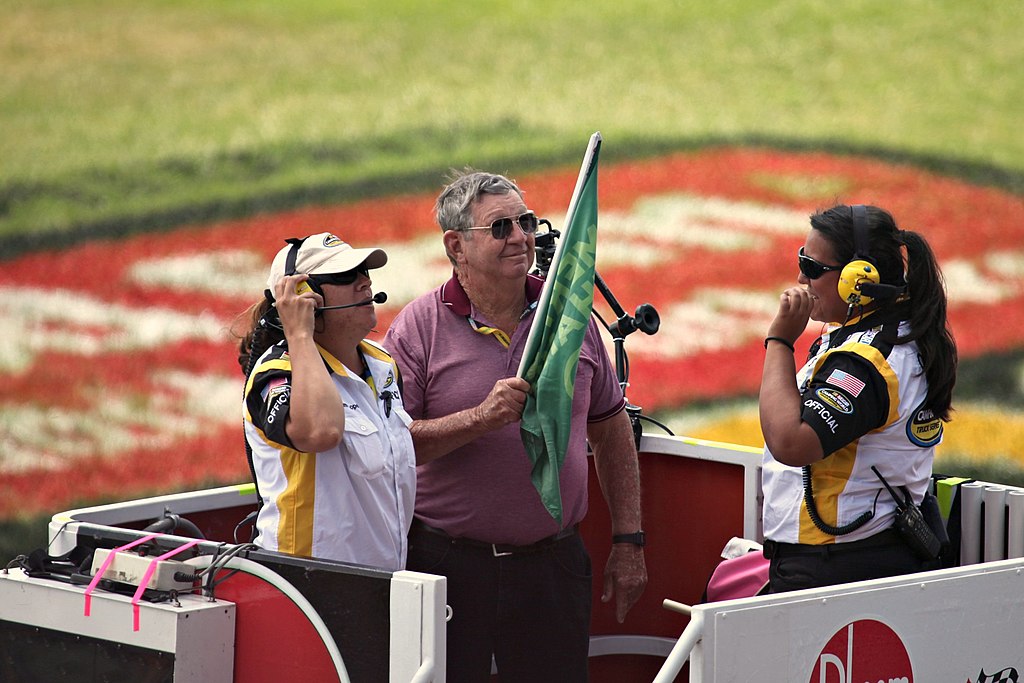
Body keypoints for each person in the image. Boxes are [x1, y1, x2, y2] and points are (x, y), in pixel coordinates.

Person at [383, 170, 647, 682]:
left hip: (553, 566)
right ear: (456, 246)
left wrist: (629, 541)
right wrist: (481, 418)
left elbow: (610, 428)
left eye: (525, 222)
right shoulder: (417, 328)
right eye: (500, 228)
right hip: (447, 566)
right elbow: (397, 447)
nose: (521, 237)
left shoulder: (570, 319)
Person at [759, 203, 957, 593]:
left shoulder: (867, 364)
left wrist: (779, 341)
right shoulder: (891, 336)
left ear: (858, 278)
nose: (801, 277)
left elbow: (790, 442)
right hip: (860, 556)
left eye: (813, 267)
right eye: (801, 261)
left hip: (836, 564)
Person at [237, 232, 415, 571]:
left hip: (383, 577)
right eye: (346, 276)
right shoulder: (276, 373)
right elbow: (321, 432)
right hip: (307, 582)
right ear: (304, 295)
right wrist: (299, 332)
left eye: (364, 272)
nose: (365, 282)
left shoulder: (382, 364)